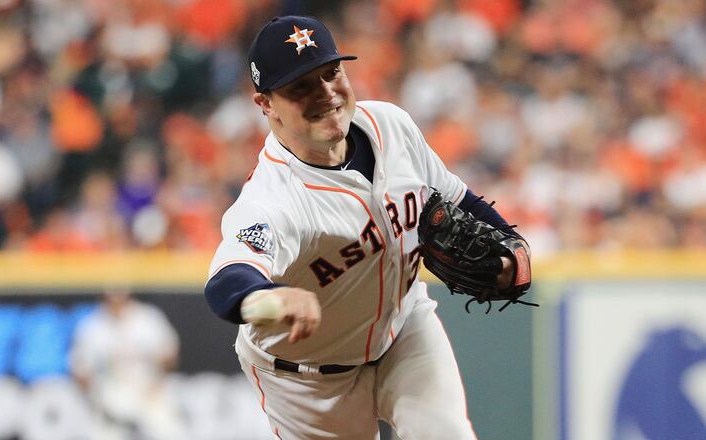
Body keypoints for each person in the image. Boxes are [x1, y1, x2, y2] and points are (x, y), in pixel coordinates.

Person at [205, 15, 528, 439]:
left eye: (331, 72)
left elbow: (455, 195)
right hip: (308, 382)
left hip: (405, 331)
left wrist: (512, 246)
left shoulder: (390, 126)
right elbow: (225, 284)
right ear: (266, 105)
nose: (326, 93)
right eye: (300, 86)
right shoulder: (274, 199)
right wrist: (269, 299)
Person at [70, 286, 185, 440]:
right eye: (111, 298)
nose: (117, 303)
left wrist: (159, 373)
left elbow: (170, 356)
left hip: (149, 392)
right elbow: (80, 371)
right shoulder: (92, 326)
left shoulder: (148, 319)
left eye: (121, 298)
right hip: (111, 395)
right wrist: (94, 394)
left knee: (171, 431)